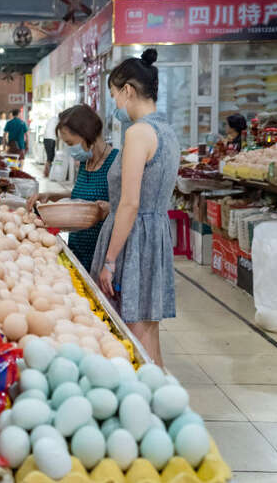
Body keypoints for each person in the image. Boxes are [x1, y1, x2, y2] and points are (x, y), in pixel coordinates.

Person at [91, 48, 180, 366]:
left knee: (130, 336)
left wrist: (110, 261)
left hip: (133, 241)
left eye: (115, 95)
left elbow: (130, 203)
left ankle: (145, 395)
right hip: (155, 236)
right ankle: (160, 393)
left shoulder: (139, 133)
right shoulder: (166, 131)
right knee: (147, 333)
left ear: (128, 90)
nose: (116, 104)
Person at [27, 105, 117, 271]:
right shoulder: (85, 162)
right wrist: (50, 195)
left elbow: (128, 208)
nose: (70, 149)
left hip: (102, 255)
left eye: (70, 143)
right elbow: (81, 195)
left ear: (86, 133)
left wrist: (109, 209)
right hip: (78, 248)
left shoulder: (116, 163)